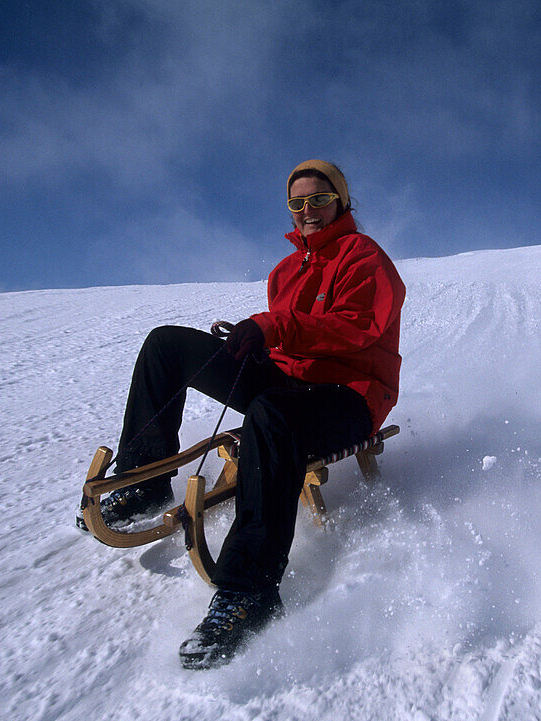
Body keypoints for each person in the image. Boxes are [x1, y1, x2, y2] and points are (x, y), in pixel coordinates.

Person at [102, 159, 404, 669]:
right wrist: (257, 348)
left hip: (350, 396)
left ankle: (250, 591)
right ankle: (145, 480)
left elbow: (355, 328)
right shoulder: (285, 271)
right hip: (289, 386)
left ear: (341, 202)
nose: (308, 211)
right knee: (167, 345)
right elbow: (288, 341)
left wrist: (273, 328)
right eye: (298, 203)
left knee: (270, 409)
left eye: (319, 199)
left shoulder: (365, 257)